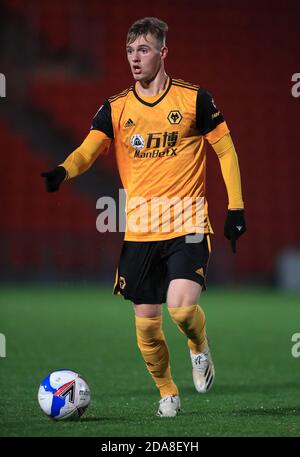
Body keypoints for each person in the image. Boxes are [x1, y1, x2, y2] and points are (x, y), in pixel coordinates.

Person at [41, 17, 246, 417]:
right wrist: (65, 169)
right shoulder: (116, 108)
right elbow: (88, 150)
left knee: (182, 310)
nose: (135, 58)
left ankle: (198, 346)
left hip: (187, 223)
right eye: (131, 51)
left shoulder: (194, 100)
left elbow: (226, 150)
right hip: (139, 231)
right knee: (148, 326)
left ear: (163, 52)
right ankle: (168, 392)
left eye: (144, 50)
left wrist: (235, 207)